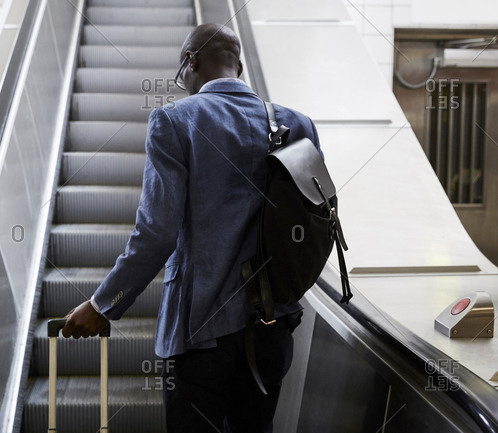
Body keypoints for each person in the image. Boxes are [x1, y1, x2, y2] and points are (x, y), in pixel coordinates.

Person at [62, 23, 321, 433]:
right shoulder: (298, 123)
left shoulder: (174, 120)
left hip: (202, 333)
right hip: (273, 326)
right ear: (237, 64)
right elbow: (312, 223)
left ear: (190, 61)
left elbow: (157, 233)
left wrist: (101, 305)